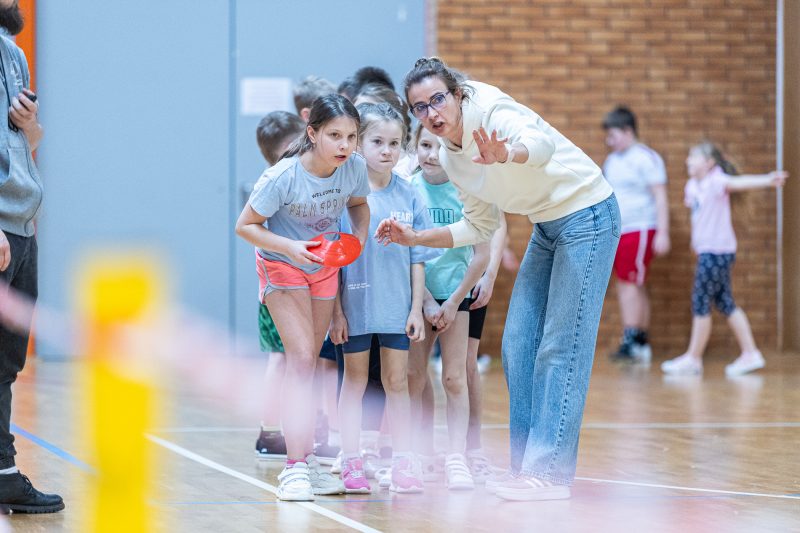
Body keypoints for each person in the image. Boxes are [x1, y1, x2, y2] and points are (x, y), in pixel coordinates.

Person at [375, 57, 619, 501]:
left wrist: (507, 154)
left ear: (457, 93)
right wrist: (417, 237)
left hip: (587, 214)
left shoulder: (489, 110)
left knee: (561, 346)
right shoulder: (450, 155)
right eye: (420, 107)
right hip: (547, 224)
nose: (431, 112)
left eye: (438, 99)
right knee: (518, 342)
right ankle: (525, 468)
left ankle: (550, 475)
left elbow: (540, 145)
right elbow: (479, 225)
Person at [235, 94, 370, 501]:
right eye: (334, 135)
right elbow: (245, 226)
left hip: (323, 266)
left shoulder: (353, 168)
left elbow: (359, 205)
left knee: (309, 366)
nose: (344, 145)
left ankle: (307, 460)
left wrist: (358, 240)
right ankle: (293, 468)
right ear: (312, 133)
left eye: (351, 136)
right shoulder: (282, 177)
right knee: (301, 360)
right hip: (282, 264)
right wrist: (290, 248)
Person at [331, 103, 437, 494]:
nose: (387, 150)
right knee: (355, 382)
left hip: (397, 308)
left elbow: (417, 258)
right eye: (377, 142)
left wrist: (416, 309)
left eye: (395, 143)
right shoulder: (344, 195)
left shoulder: (410, 194)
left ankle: (405, 463)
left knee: (397, 382)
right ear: (360, 144)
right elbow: (333, 261)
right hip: (356, 306)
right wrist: (336, 313)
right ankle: (352, 460)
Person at [0, 0, 65, 514]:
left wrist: (33, 128)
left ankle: (3, 472)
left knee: (6, 360)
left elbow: (25, 141)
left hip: (21, 226)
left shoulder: (13, 52)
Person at [408, 124, 489, 490]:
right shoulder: (408, 189)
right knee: (414, 376)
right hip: (418, 297)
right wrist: (424, 301)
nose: (430, 155)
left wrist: (454, 301)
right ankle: (419, 452)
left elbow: (481, 255)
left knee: (455, 377)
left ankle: (456, 457)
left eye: (439, 148)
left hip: (456, 297)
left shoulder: (467, 192)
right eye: (424, 145)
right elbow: (404, 253)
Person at [660, 142, 787, 377]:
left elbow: (740, 182)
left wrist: (768, 180)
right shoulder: (692, 186)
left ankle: (693, 358)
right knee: (725, 302)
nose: (688, 161)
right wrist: (696, 242)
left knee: (700, 300)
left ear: (709, 163)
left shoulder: (716, 181)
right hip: (707, 251)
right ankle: (750, 353)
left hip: (717, 252)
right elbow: (698, 217)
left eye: (694, 157)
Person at [251, 111, 304, 459]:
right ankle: (270, 431)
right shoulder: (276, 183)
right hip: (278, 286)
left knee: (285, 360)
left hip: (289, 284)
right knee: (281, 360)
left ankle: (275, 429)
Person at [602, 106, 670, 364]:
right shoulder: (612, 161)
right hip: (620, 230)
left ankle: (632, 339)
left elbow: (660, 196)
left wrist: (663, 232)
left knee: (629, 284)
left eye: (613, 135)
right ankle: (639, 339)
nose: (610, 141)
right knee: (629, 283)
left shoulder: (646, 158)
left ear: (628, 131)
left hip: (640, 228)